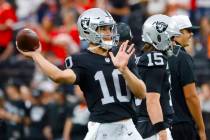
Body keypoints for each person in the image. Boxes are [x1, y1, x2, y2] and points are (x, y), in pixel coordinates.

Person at [17, 8, 146, 140]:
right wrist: (36, 55)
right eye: (103, 29)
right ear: (88, 30)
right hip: (103, 129)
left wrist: (124, 70)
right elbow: (58, 76)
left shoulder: (122, 55)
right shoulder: (82, 60)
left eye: (110, 28)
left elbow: (141, 92)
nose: (109, 33)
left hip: (129, 127)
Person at [135, 14, 181, 140]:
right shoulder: (155, 58)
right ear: (159, 36)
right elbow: (152, 100)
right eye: (171, 38)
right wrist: (161, 130)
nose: (173, 42)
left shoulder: (142, 57)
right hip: (152, 127)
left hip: (145, 123)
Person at [169, 15, 206, 140]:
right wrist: (201, 128)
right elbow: (191, 96)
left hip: (162, 124)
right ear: (177, 32)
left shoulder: (157, 56)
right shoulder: (182, 57)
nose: (191, 34)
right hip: (182, 125)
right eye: (188, 31)